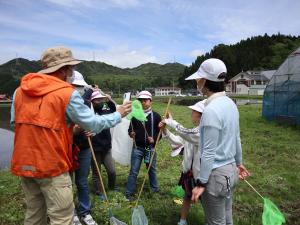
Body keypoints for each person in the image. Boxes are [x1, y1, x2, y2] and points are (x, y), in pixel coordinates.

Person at [10, 46, 132, 225]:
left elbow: (16, 123)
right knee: (61, 217)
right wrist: (118, 114)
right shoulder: (66, 93)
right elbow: (93, 123)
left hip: (25, 163)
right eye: (71, 68)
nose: (72, 73)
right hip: (52, 165)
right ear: (65, 69)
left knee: (34, 215)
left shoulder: (19, 92)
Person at [185, 58, 250, 225]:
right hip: (231, 172)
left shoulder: (210, 110)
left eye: (198, 79)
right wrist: (239, 162)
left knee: (215, 222)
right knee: (227, 215)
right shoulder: (230, 104)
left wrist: (201, 183)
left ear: (205, 81)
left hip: (215, 177)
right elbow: (236, 137)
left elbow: (208, 151)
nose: (197, 82)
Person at [160, 100, 206, 225]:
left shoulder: (203, 132)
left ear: (201, 115)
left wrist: (171, 122)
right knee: (186, 196)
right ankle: (182, 220)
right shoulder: (193, 131)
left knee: (206, 201)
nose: (192, 113)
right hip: (189, 171)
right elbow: (178, 141)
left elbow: (188, 135)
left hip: (201, 176)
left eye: (194, 112)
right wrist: (165, 130)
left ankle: (211, 221)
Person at [70, 71, 98, 225]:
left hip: (85, 147)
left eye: (80, 87)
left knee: (82, 181)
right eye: (74, 86)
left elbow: (92, 123)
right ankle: (71, 213)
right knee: (67, 182)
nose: (78, 90)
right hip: (66, 147)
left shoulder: (87, 103)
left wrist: (91, 130)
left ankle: (85, 212)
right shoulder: (63, 102)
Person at [125, 90, 162, 201]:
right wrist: (131, 133)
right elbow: (130, 129)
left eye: (145, 100)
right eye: (141, 100)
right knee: (134, 170)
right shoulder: (135, 115)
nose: (143, 102)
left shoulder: (156, 116)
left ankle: (155, 189)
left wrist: (154, 139)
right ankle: (129, 192)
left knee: (151, 169)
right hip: (137, 148)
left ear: (151, 101)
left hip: (150, 148)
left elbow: (160, 133)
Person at [89, 90, 118, 197]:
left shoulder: (104, 106)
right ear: (92, 101)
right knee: (97, 173)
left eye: (101, 99)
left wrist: (109, 100)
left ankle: (112, 187)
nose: (100, 101)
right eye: (98, 99)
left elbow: (114, 110)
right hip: (94, 147)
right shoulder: (88, 111)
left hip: (106, 146)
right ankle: (99, 191)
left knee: (112, 171)